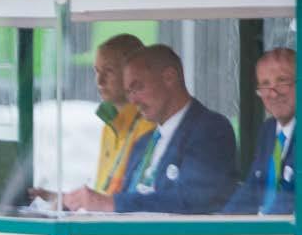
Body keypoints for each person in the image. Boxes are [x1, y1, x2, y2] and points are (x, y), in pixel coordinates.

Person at [64, 45, 237, 215]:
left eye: (138, 87)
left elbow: (193, 199)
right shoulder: (143, 142)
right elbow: (124, 199)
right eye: (128, 92)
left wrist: (111, 203)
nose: (133, 100)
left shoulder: (210, 129)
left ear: (169, 77)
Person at [225, 47, 295, 216]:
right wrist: (221, 223)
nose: (273, 93)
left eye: (282, 81)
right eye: (265, 84)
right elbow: (252, 189)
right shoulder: (268, 130)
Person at [92, 33, 155, 195]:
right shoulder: (109, 127)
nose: (99, 81)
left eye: (109, 71)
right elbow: (102, 193)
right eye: (96, 71)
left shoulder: (150, 127)